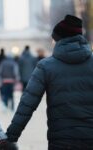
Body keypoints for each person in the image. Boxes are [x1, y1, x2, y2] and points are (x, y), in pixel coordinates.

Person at [6, 15, 93, 150]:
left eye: (54, 39)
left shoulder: (46, 66)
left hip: (61, 140)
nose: (52, 42)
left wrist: (10, 137)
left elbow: (27, 104)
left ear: (59, 39)